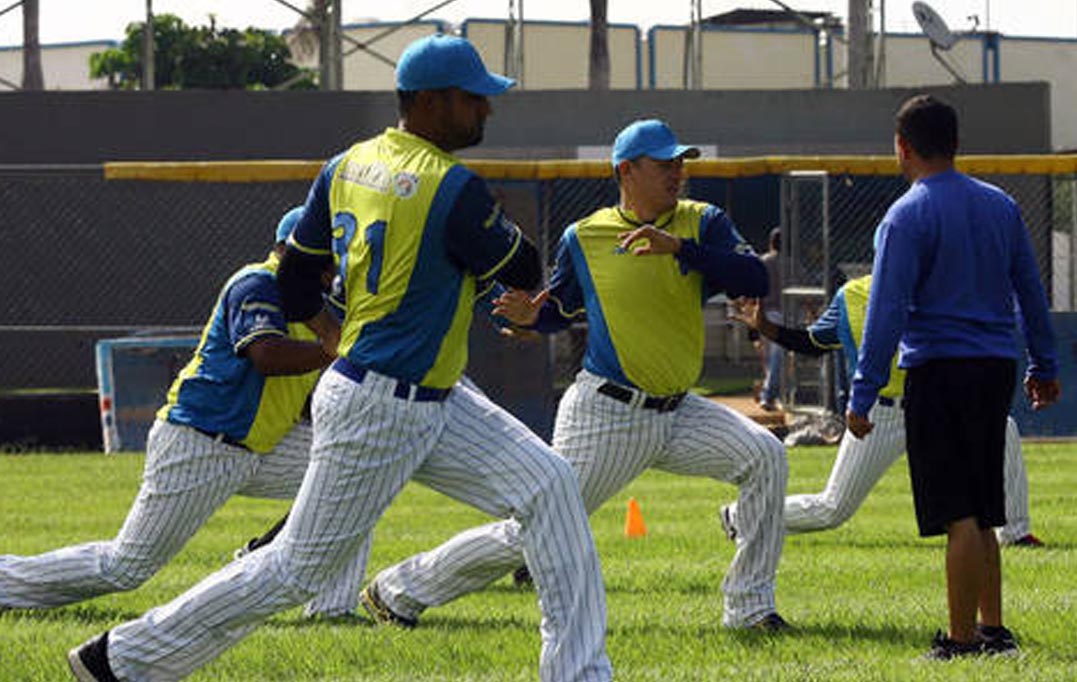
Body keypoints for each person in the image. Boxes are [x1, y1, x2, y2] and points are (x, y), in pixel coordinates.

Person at [67, 34, 612, 682]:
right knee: (297, 569)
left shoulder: (346, 164)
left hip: (424, 392)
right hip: (381, 403)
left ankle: (579, 674)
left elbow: (296, 279)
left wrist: (333, 336)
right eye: (474, 99)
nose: (486, 112)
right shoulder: (452, 184)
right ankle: (123, 658)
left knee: (548, 485)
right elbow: (521, 266)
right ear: (432, 102)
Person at [360, 118, 790, 632]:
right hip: (607, 414)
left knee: (766, 456)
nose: (677, 173)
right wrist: (529, 317)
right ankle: (397, 591)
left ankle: (748, 608)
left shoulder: (703, 222)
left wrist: (680, 249)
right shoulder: (584, 236)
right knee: (535, 527)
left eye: (681, 162)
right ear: (626, 170)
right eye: (664, 163)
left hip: (679, 410)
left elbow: (753, 276)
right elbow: (558, 310)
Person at [0, 207, 366, 620]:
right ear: (293, 251)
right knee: (125, 567)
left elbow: (298, 385)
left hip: (259, 443)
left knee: (358, 477)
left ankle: (331, 610)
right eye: (327, 254)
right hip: (203, 440)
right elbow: (265, 355)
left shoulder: (317, 303)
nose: (334, 266)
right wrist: (334, 348)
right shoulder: (258, 282)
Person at [846, 94, 1059, 660]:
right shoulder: (1001, 206)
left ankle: (961, 641)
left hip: (939, 369)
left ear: (902, 147)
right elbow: (1030, 292)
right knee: (985, 508)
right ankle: (994, 629)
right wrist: (1045, 362)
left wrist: (863, 393)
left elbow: (887, 311)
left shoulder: (905, 215)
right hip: (995, 368)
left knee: (958, 512)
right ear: (957, 144)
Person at [722, 278, 1044, 547]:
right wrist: (766, 327)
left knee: (1004, 428)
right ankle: (740, 516)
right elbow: (814, 342)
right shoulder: (852, 295)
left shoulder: (938, 286)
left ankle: (1014, 533)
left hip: (936, 403)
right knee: (833, 508)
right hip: (879, 413)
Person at [757, 226, 783, 411]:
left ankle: (769, 395)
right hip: (787, 314)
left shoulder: (763, 261)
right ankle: (772, 394)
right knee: (776, 357)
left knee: (771, 357)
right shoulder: (792, 262)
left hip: (767, 313)